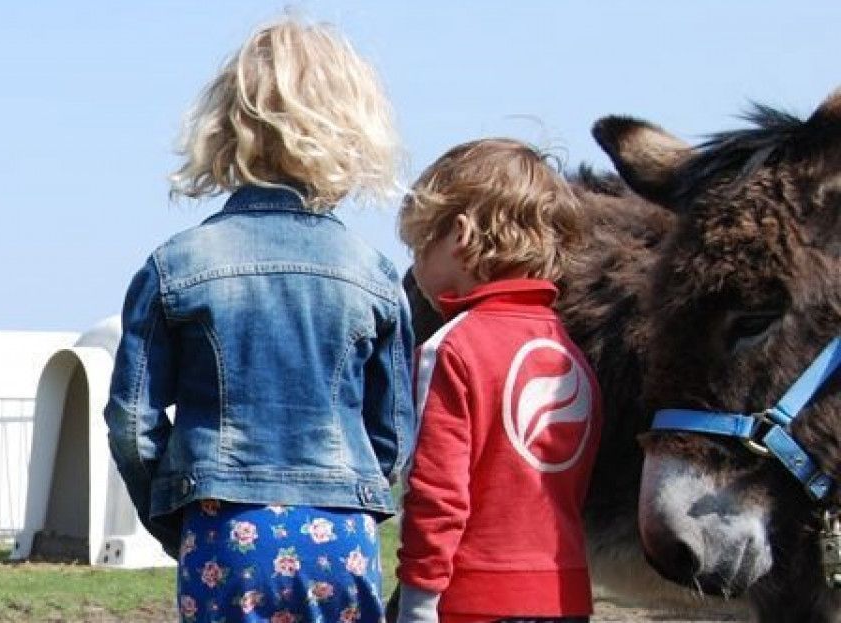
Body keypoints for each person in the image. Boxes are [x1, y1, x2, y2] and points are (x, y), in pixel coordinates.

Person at [104, 15, 414, 623]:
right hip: (340, 532)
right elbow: (394, 436)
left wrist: (176, 508)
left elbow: (130, 423)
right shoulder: (372, 273)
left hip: (224, 526)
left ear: (226, 124)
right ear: (352, 127)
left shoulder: (175, 266)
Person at [393, 139, 597, 623]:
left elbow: (436, 492)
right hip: (564, 593)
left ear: (459, 235)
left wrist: (418, 603)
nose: (415, 264)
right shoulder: (569, 353)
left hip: (472, 600)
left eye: (421, 245)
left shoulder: (452, 348)